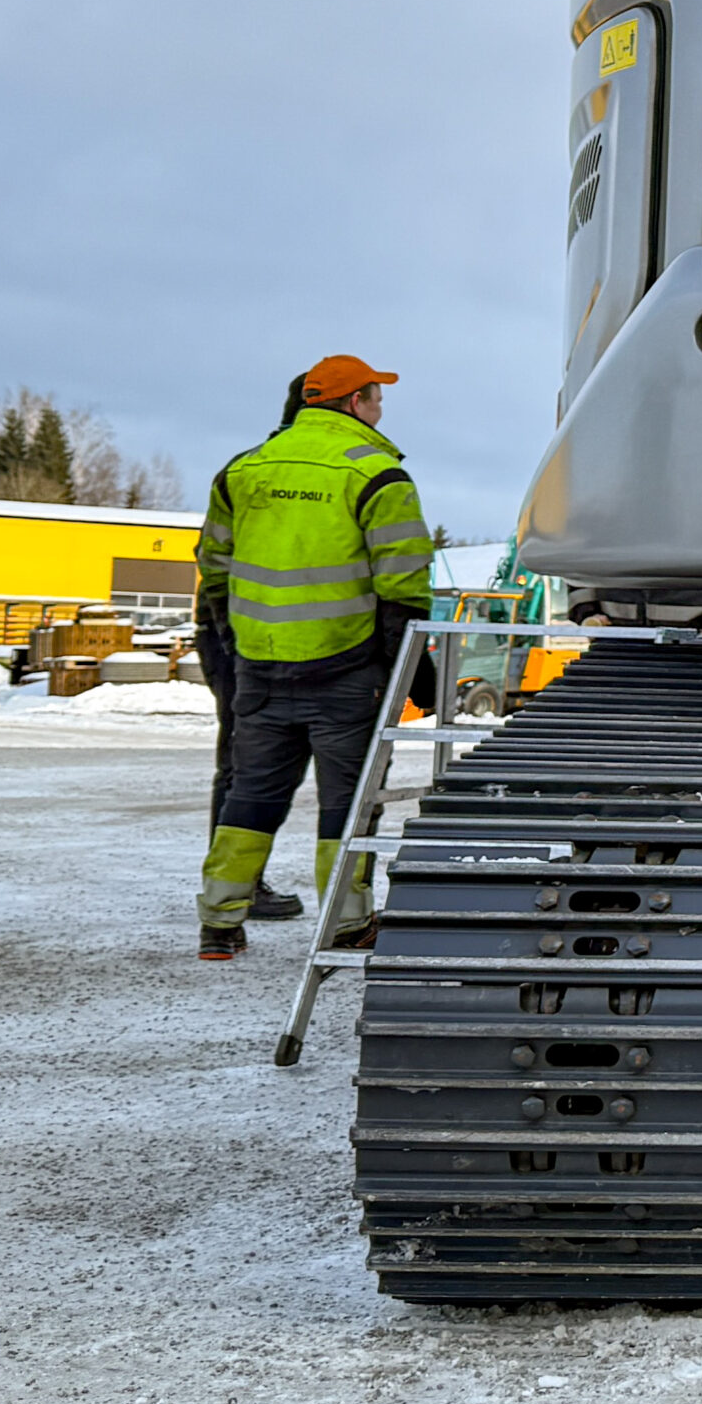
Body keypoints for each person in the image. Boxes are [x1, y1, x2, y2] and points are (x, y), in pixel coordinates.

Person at [195, 356, 435, 960]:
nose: (381, 409)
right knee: (348, 804)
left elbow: (214, 571)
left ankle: (219, 922)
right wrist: (413, 669)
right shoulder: (380, 476)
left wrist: (235, 650)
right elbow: (403, 588)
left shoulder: (243, 470)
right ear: (356, 402)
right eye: (377, 398)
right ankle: (347, 925)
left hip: (259, 668)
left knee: (251, 797)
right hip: (347, 672)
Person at [191, 375, 309, 922]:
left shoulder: (248, 466)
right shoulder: (276, 470)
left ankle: (238, 881)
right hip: (242, 637)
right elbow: (215, 558)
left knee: (249, 758)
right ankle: (238, 884)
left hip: (236, 633)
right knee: (249, 760)